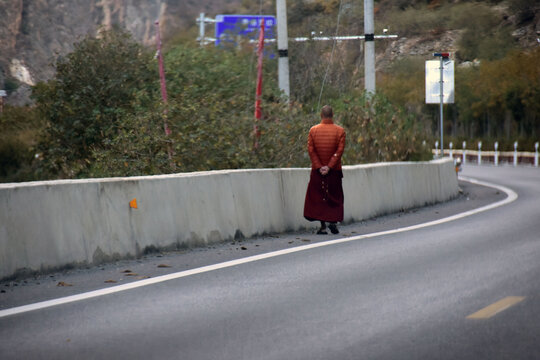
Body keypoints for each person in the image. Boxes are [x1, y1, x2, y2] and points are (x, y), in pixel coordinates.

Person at [303, 105, 346, 234]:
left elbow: (311, 150)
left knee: (319, 197)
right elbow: (339, 151)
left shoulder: (313, 130)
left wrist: (319, 166)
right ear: (332, 115)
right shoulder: (340, 131)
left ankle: (322, 226)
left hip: (318, 171)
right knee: (334, 196)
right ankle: (332, 222)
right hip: (334, 171)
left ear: (321, 115)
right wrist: (329, 166)